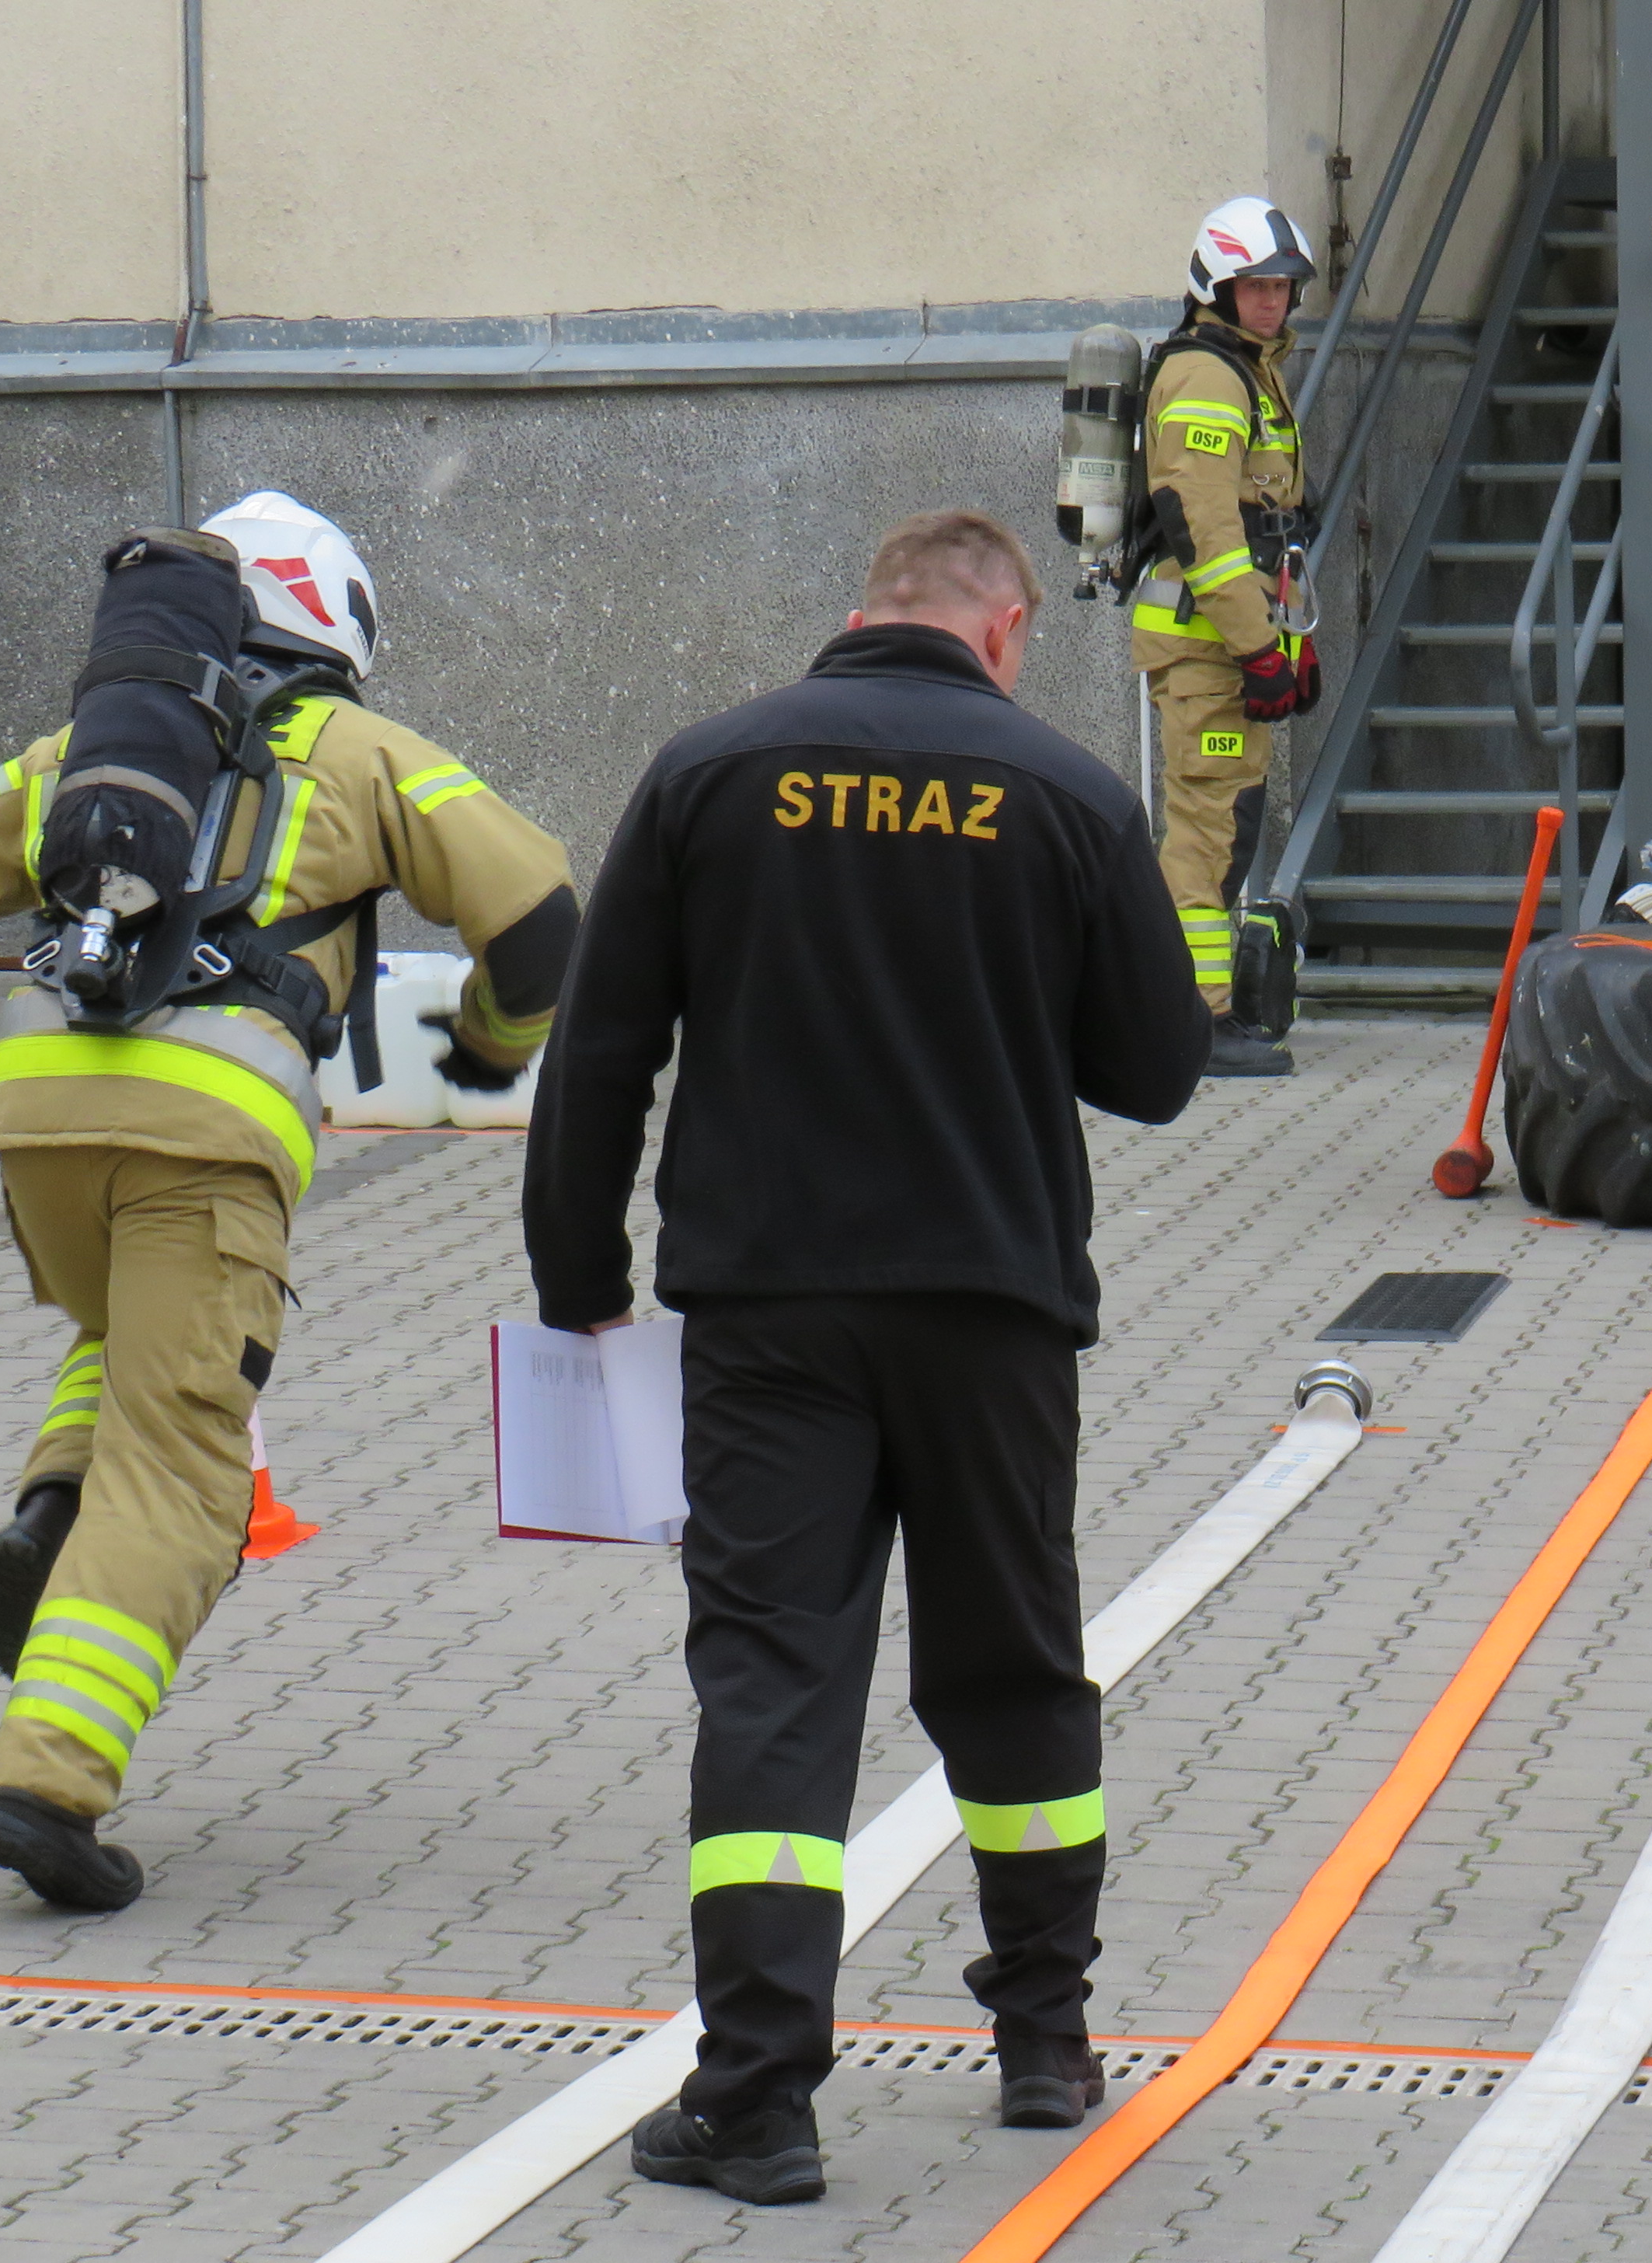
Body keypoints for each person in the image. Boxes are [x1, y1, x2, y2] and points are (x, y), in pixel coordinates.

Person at [524, 509, 1205, 2205]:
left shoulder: (710, 773)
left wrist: (579, 1283)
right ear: (1004, 631)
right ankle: (1043, 2039)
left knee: (773, 1682)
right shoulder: (1068, 794)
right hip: (993, 1313)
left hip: (769, 1315)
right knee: (1014, 1669)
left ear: (861, 612)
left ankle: (758, 2100)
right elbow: (1156, 1070)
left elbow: (599, 1050)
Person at [0, 496, 579, 1916]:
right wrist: (492, 1047)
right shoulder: (361, 752)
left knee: (126, 1343)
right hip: (203, 1138)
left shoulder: (82, 758)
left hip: (39, 1123)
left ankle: (55, 1505)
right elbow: (541, 918)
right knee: (190, 1473)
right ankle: (49, 1783)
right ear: (336, 622)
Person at [1131, 195, 1317, 1078]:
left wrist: (1289, 645)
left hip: (1230, 638)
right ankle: (1194, 1024)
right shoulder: (1209, 378)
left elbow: (1269, 526)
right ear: (1218, 288)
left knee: (1227, 823)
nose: (1272, 300)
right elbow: (1205, 528)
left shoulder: (1250, 368)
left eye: (1282, 286)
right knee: (1204, 833)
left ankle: (1204, 1011)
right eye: (1256, 287)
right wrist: (1257, 649)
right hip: (1209, 645)